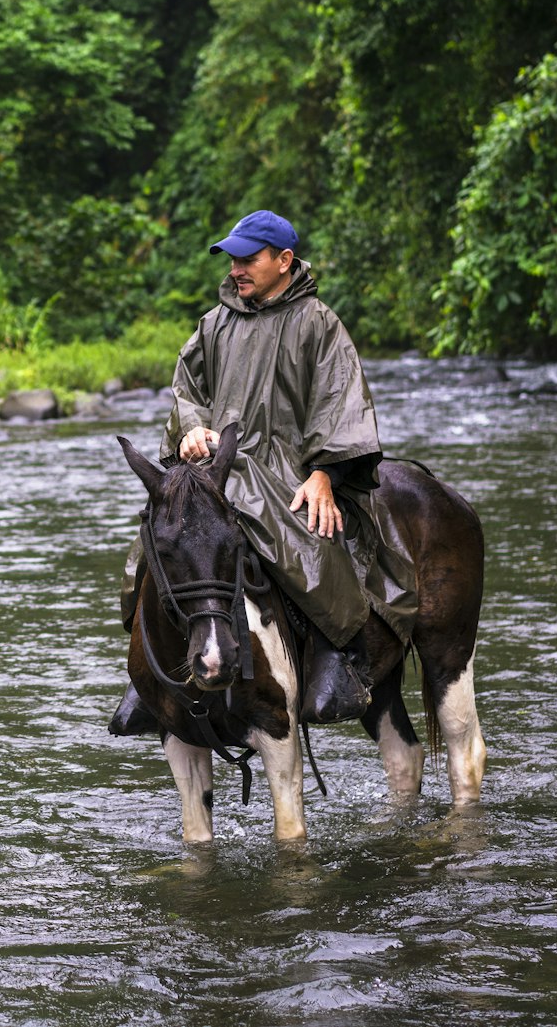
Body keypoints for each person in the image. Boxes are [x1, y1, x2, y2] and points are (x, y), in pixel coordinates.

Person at [112, 210, 418, 732]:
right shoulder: (214, 323)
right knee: (157, 538)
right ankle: (153, 676)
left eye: (248, 259)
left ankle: (339, 656)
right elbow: (188, 391)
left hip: (290, 471)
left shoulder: (319, 324)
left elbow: (341, 402)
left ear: (284, 261)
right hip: (219, 465)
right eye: (233, 260)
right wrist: (192, 429)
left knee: (303, 543)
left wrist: (325, 473)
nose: (236, 269)